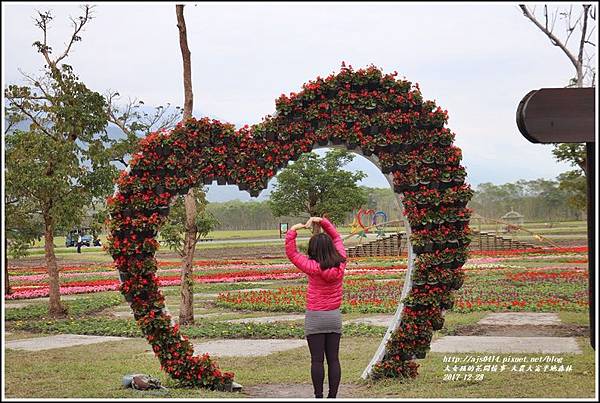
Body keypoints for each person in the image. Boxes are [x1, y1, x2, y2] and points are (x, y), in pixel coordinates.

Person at [285, 216, 346, 399]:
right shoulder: (341, 261)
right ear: (331, 248)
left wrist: (294, 231)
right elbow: (337, 238)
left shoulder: (311, 266)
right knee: (333, 359)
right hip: (334, 316)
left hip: (315, 317)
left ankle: (318, 396)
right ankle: (332, 396)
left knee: (317, 360)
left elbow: (292, 253)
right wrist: (323, 222)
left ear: (313, 249)